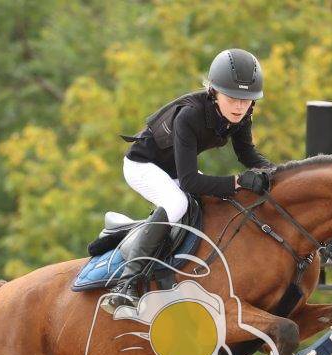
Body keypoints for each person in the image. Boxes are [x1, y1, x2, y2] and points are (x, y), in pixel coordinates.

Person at [103, 48, 275, 309]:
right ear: (214, 92)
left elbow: (247, 154)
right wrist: (238, 182)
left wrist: (276, 174)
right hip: (142, 166)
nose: (240, 106)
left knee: (213, 203)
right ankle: (126, 282)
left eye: (247, 99)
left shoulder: (242, 114)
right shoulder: (190, 115)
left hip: (174, 170)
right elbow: (190, 182)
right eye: (232, 98)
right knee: (177, 204)